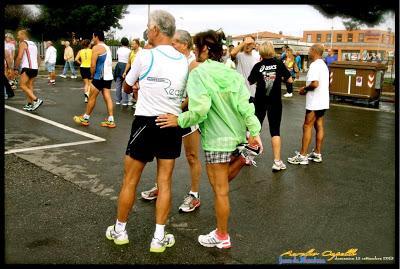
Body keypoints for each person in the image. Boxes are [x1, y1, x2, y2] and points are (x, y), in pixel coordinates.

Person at [155, 29, 263, 249]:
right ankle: (242, 159)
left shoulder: (199, 73)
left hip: (216, 139)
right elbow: (246, 106)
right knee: (219, 184)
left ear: (204, 49)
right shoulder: (232, 74)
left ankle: (222, 235)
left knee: (219, 189)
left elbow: (201, 109)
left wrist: (179, 120)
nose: (195, 51)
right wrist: (254, 132)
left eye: (196, 47)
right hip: (235, 136)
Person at [105, 10, 189, 253]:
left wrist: (139, 89)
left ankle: (120, 231)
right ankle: (158, 238)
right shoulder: (183, 60)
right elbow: (187, 95)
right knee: (165, 182)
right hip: (170, 123)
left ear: (155, 30)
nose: (147, 30)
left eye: (148, 26)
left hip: (144, 122)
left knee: (130, 180)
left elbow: (128, 84)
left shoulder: (144, 55)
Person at [140, 29, 202, 213]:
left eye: (173, 42)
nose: (170, 45)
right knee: (162, 156)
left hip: (186, 115)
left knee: (191, 156)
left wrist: (177, 111)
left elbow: (194, 96)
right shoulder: (170, 60)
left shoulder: (193, 64)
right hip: (169, 115)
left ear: (184, 44)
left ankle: (194, 195)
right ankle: (160, 187)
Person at [248, 41, 292, 171]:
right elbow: (290, 79)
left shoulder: (258, 65)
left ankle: (248, 158)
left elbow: (250, 81)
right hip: (275, 101)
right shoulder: (279, 64)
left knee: (255, 128)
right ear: (272, 50)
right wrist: (280, 78)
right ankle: (277, 162)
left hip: (260, 101)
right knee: (275, 131)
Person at [288, 44, 329, 165]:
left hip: (315, 102)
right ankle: (317, 153)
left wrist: (304, 89)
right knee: (319, 125)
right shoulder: (323, 65)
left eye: (310, 50)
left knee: (307, 126)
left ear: (314, 51)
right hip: (323, 100)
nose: (309, 53)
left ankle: (303, 155)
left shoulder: (315, 65)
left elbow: (315, 84)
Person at [73, 30, 115, 128]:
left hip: (99, 76)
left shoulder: (96, 47)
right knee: (107, 97)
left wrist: (92, 76)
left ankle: (85, 118)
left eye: (93, 36)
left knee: (91, 96)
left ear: (96, 37)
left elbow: (93, 65)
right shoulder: (107, 47)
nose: (92, 39)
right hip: (108, 76)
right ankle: (111, 120)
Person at [14, 29, 43, 111]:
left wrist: (15, 68)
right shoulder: (33, 44)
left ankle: (36, 100)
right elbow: (39, 58)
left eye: (19, 35)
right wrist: (37, 66)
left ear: (23, 34)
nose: (18, 37)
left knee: (22, 85)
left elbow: (19, 57)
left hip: (27, 68)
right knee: (29, 86)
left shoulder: (23, 43)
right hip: (34, 68)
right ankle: (30, 104)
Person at [230, 35, 260, 101]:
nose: (247, 45)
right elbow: (232, 53)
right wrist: (245, 42)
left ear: (254, 45)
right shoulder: (239, 56)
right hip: (240, 93)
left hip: (253, 92)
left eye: (250, 44)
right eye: (246, 43)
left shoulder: (257, 58)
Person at [122, 38, 142, 107]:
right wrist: (125, 72)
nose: (131, 45)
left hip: (141, 73)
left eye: (133, 44)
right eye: (131, 44)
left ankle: (139, 103)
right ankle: (138, 102)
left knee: (138, 89)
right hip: (133, 73)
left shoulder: (142, 52)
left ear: (137, 44)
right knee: (134, 88)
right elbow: (128, 63)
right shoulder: (131, 52)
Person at [113, 37, 131, 105]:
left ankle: (118, 100)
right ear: (127, 43)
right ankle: (125, 101)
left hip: (119, 65)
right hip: (126, 66)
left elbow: (118, 57)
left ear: (121, 43)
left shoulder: (119, 49)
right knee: (126, 84)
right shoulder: (129, 51)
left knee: (118, 84)